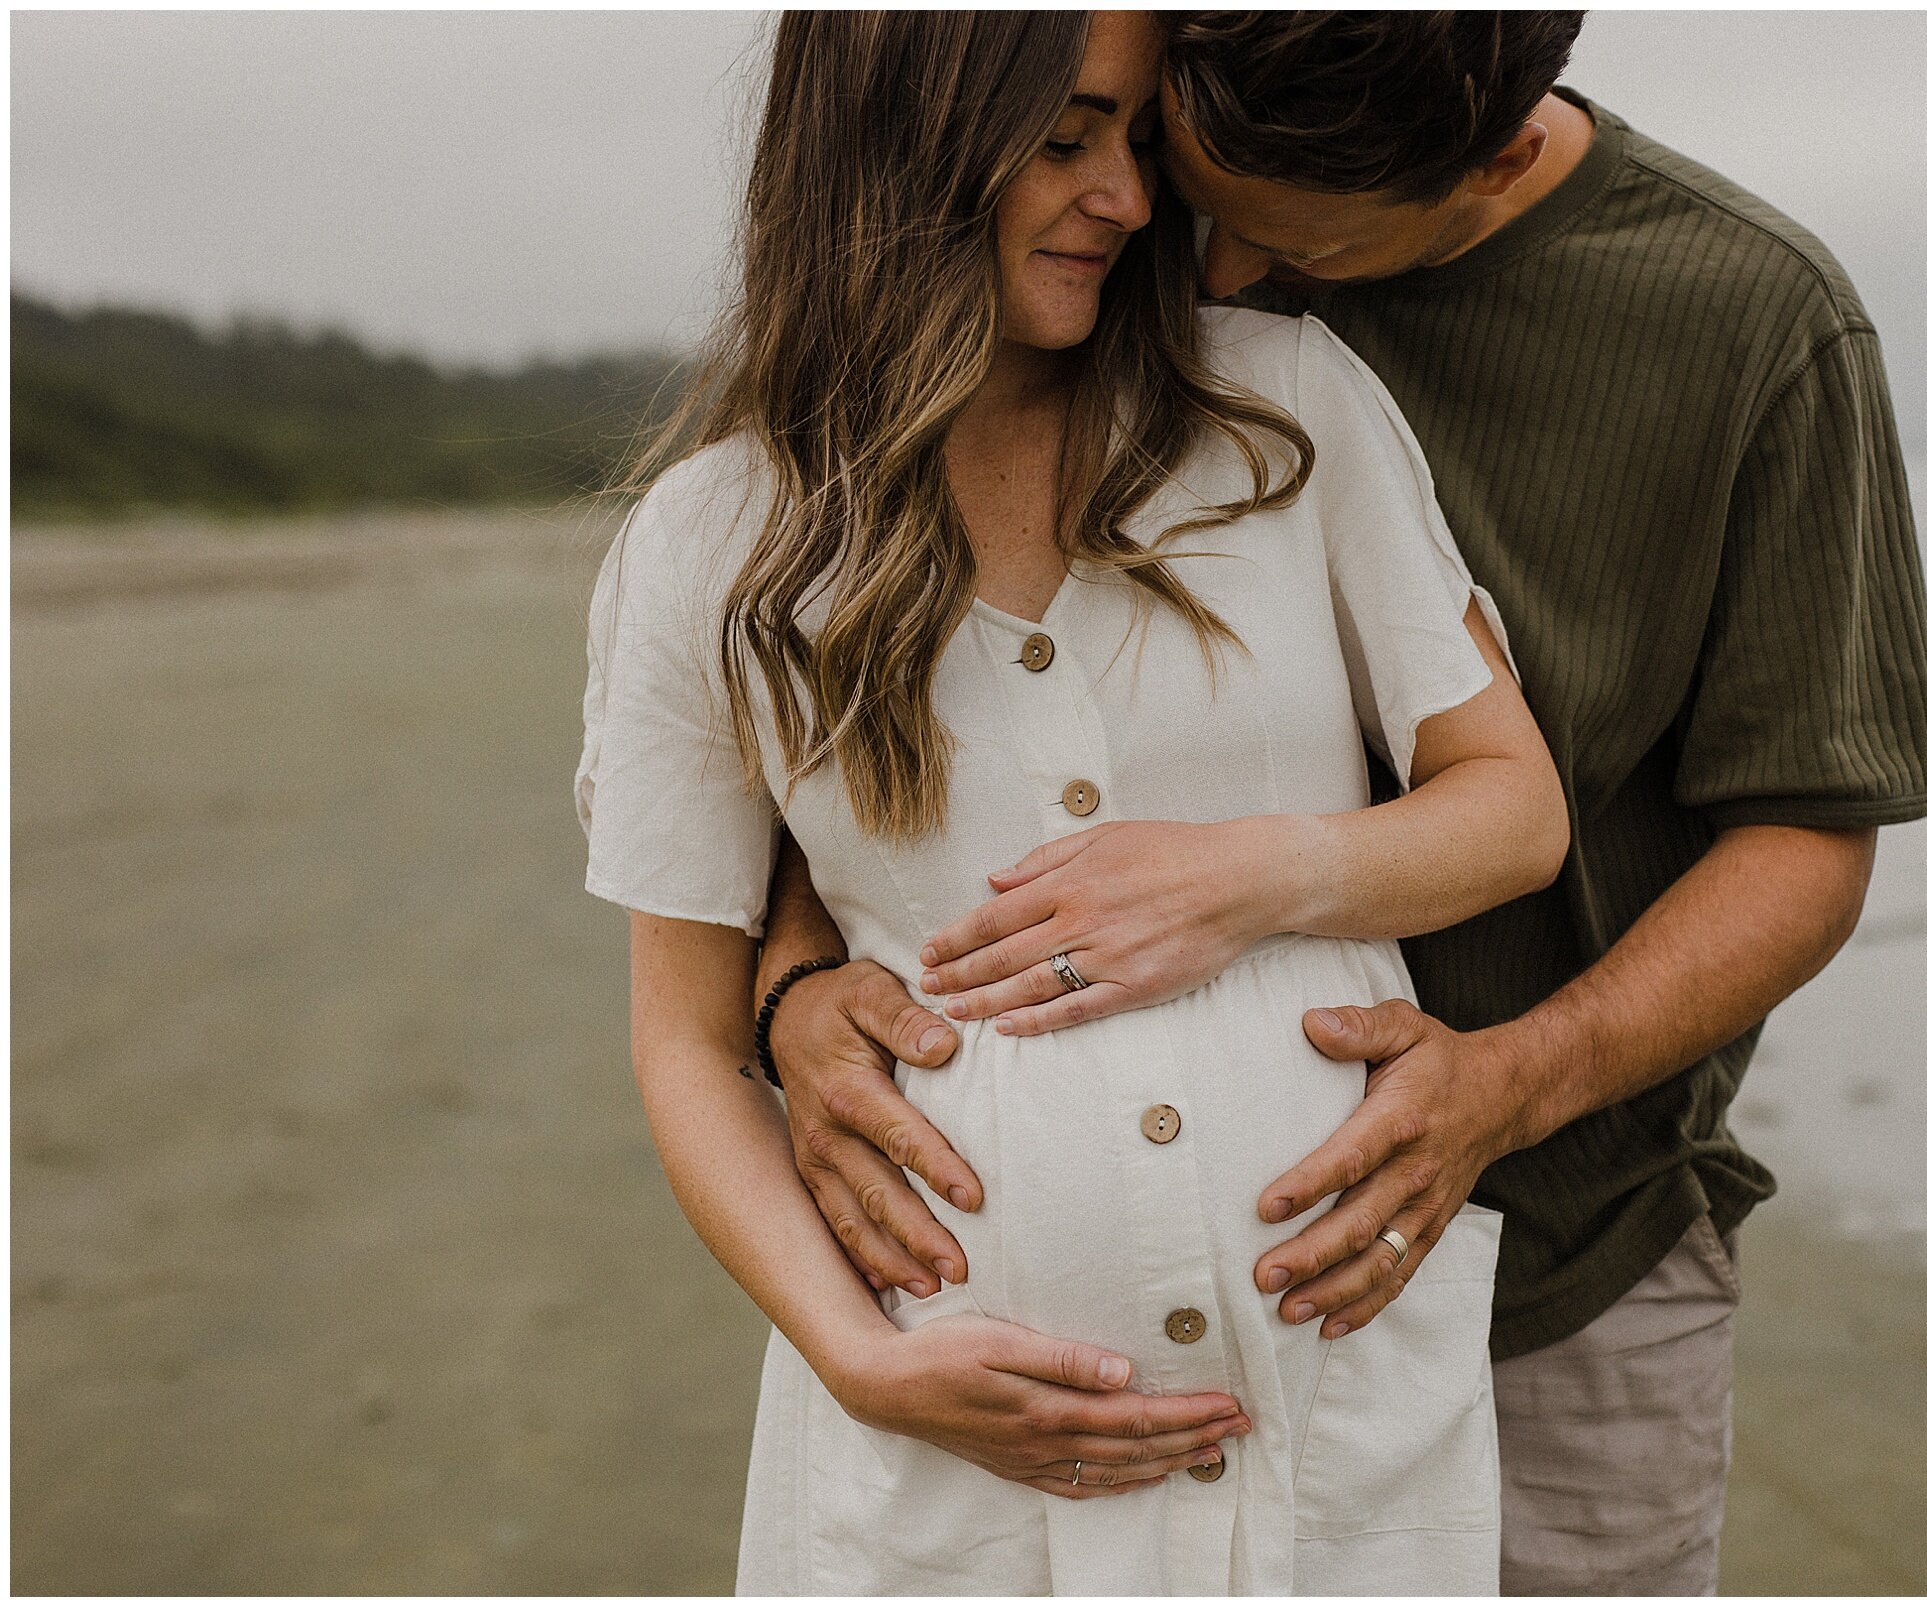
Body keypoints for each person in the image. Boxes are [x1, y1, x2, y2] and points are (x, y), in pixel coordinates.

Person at [753, 10, 1927, 1597]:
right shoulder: (1119, 217)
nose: (1211, 272)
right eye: (1197, 191)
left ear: (1498, 158)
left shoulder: (1756, 323)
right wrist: (793, 987)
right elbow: (888, 702)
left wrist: (1514, 1081)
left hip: (1573, 1256)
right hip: (1105, 1315)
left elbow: (1807, 838)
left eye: (1286, 242)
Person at [577, 10, 1570, 1595]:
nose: (1128, 193)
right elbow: (684, 1039)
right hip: (951, 1461)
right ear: (903, 142)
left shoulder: (1285, 407)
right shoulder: (716, 546)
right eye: (1067, 139)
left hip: (1327, 1428)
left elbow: (1514, 809)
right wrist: (853, 1358)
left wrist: (1255, 875)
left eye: (1134, 137)